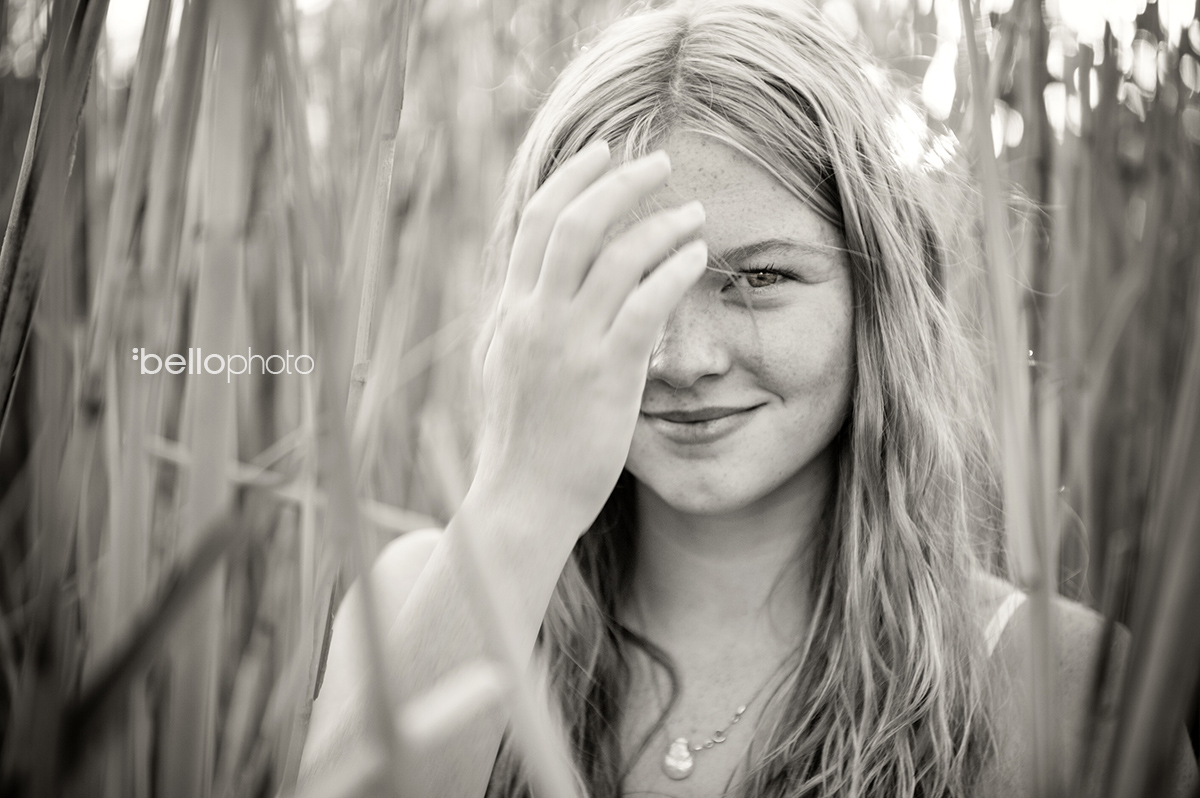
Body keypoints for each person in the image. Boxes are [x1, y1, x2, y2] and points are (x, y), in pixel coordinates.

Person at [298, 1, 1200, 796]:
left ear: (879, 298)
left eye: (759, 277)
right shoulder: (417, 603)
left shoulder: (1062, 681)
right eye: (630, 281)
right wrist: (520, 500)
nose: (684, 358)